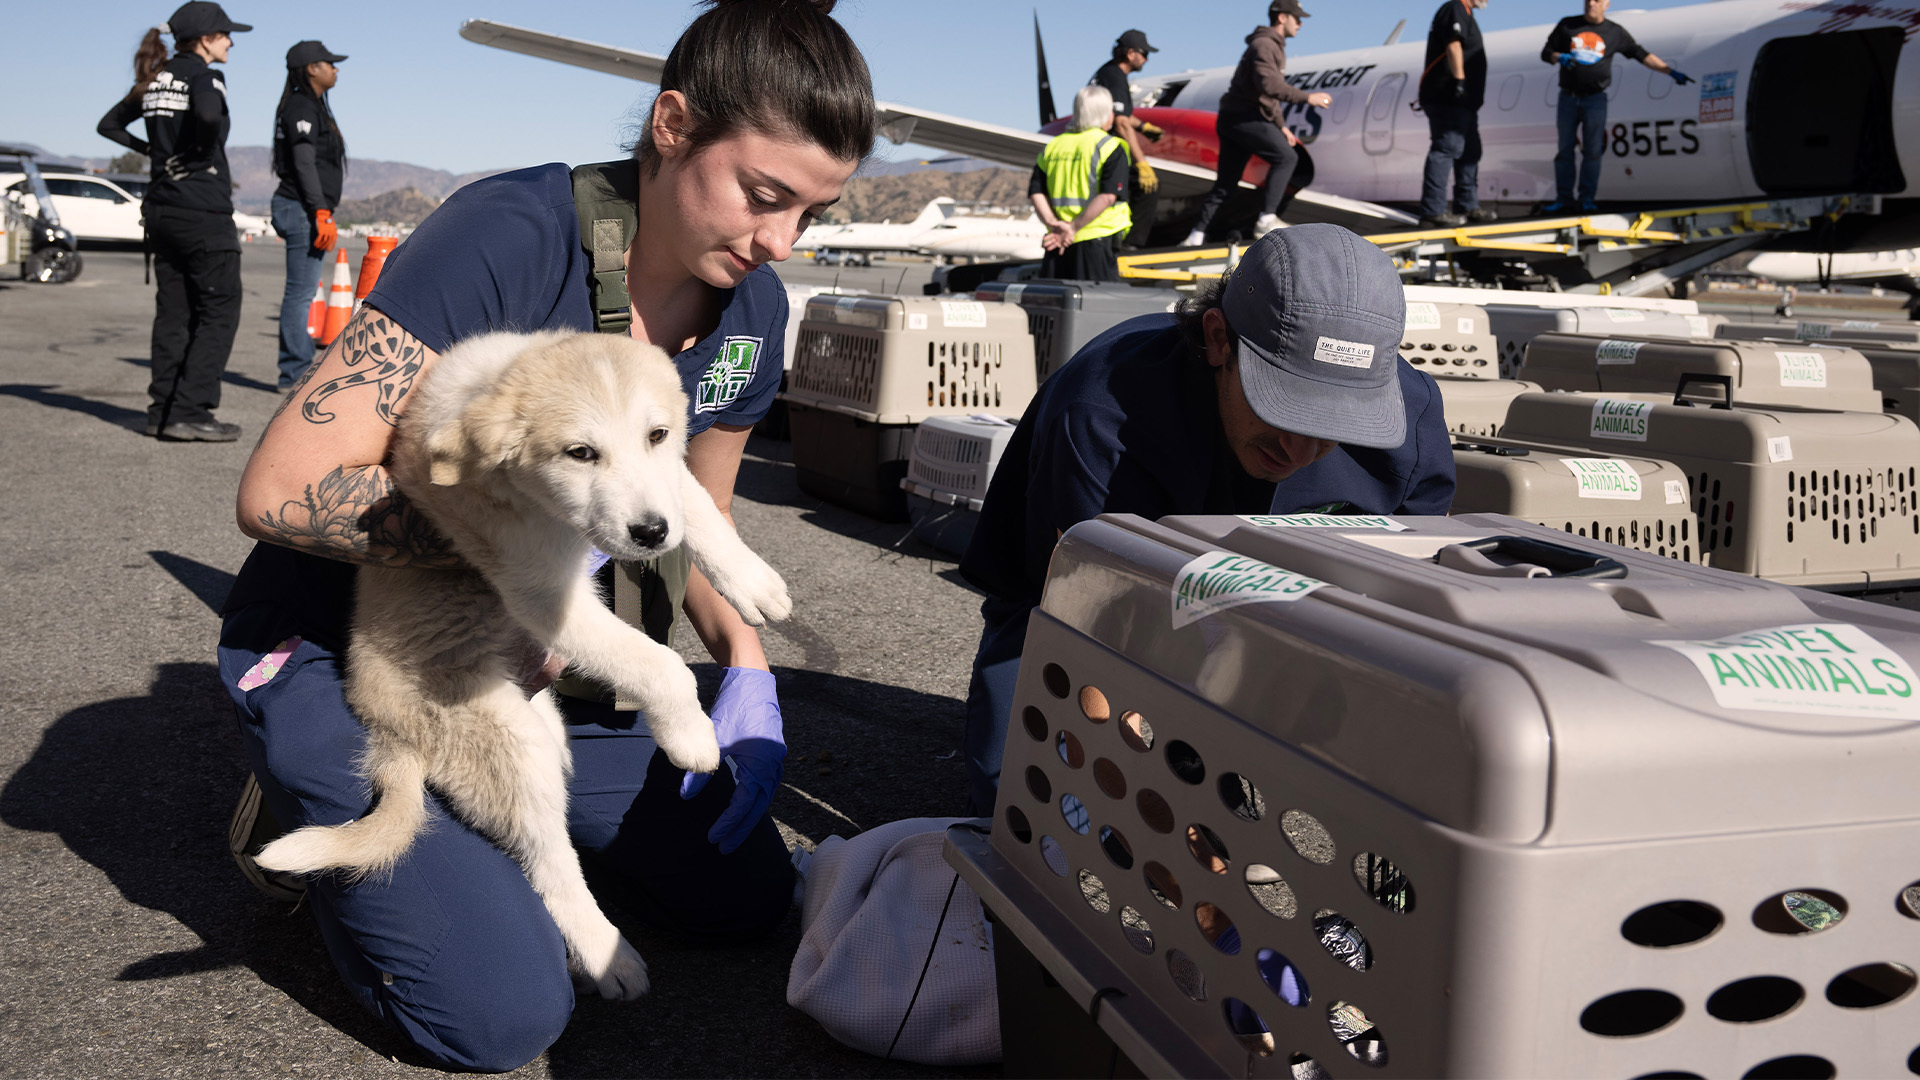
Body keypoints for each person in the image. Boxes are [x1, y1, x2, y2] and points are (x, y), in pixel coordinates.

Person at [217, 0, 873, 1070]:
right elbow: (278, 490)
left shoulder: (752, 316)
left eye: (813, 213)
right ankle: (307, 785)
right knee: (505, 1018)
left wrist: (747, 678)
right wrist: (511, 566)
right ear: (672, 126)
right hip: (363, 646)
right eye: (763, 196)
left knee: (737, 897)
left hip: (544, 645)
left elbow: (687, 519)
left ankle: (487, 839)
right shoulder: (511, 236)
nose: (778, 243)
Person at [957, 225, 1455, 815]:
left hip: (1289, 620)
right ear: (1219, 340)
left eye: (1335, 425)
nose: (1298, 451)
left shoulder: (1412, 423)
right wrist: (1166, 822)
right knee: (1028, 810)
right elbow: (1087, 625)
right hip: (1075, 616)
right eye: (1284, 408)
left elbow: (1405, 628)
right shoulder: (1104, 413)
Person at [96, 1, 252, 441]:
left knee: (173, 313)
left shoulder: (154, 79)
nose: (230, 41)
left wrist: (157, 154)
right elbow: (206, 115)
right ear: (205, 39)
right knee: (218, 311)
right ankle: (191, 411)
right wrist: (199, 154)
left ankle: (161, 410)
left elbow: (108, 125)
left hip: (161, 208)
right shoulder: (205, 76)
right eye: (224, 35)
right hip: (202, 209)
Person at [1183, 0, 1332, 246]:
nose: (1301, 23)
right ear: (1282, 18)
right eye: (1297, 18)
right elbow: (1270, 86)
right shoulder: (1264, 45)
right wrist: (1308, 98)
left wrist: (1281, 126)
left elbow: (1266, 97)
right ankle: (1266, 219)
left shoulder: (1269, 45)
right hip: (1244, 118)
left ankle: (1195, 235)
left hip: (1234, 118)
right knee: (1287, 157)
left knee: (1226, 185)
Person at [1540, 0, 1691, 213]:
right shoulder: (1568, 26)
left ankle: (1586, 199)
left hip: (1595, 99)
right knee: (1565, 150)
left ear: (1607, 5)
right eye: (1587, 0)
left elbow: (1640, 54)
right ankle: (1564, 199)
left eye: (1597, 0)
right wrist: (1558, 57)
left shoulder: (1614, 32)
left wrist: (1668, 71)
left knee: (1593, 151)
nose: (1591, 3)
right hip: (1568, 98)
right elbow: (1546, 53)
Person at [270, 40, 348, 391]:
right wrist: (319, 210)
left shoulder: (311, 106)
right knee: (300, 293)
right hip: (300, 208)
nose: (336, 68)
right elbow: (303, 162)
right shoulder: (301, 106)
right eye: (330, 63)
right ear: (311, 68)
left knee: (301, 291)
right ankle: (295, 372)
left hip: (306, 209)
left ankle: (296, 367)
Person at [1030, 84, 1131, 283]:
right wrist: (1073, 228)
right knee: (1097, 307)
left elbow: (1036, 192)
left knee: (1053, 303)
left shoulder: (1053, 146)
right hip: (1096, 238)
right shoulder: (1110, 146)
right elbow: (1108, 196)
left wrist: (1054, 225)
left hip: (1057, 241)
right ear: (1105, 113)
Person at [1417, 0, 1492, 229]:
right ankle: (1433, 211)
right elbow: (1454, 44)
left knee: (1470, 152)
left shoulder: (1467, 13)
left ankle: (1467, 205)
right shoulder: (1455, 8)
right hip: (1448, 97)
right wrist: (1460, 81)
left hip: (1465, 103)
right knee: (1447, 148)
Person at [1089, 29, 1161, 249]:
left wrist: (1142, 126)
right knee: (1148, 186)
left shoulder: (1107, 72)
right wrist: (1141, 162)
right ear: (1131, 54)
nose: (1146, 59)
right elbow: (1120, 123)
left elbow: (1120, 114)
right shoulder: (1117, 77)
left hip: (1093, 146)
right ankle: (1131, 246)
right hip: (1105, 148)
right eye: (1144, 53)